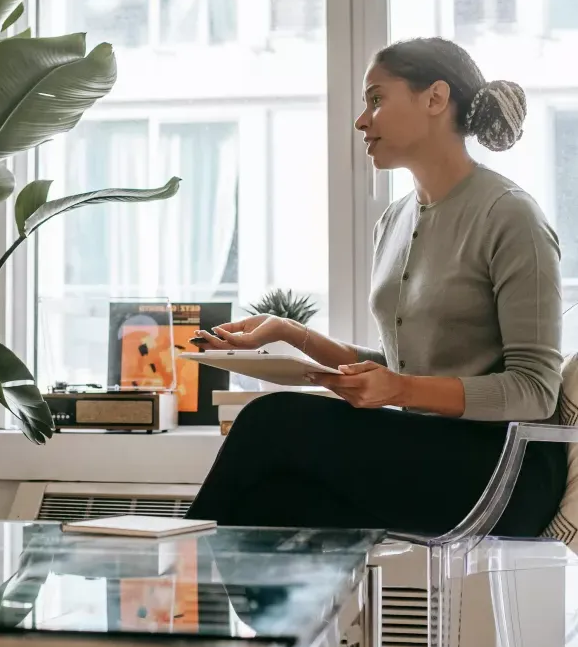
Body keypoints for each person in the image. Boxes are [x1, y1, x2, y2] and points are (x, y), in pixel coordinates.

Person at [187, 37, 566, 538]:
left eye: (377, 99)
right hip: (427, 452)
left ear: (434, 99)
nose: (361, 121)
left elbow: (536, 391)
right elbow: (404, 369)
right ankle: (210, 611)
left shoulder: (510, 216)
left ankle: (169, 589)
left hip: (504, 468)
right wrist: (288, 334)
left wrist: (401, 389)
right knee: (278, 500)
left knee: (270, 423)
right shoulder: (394, 220)